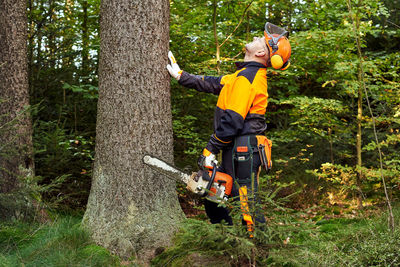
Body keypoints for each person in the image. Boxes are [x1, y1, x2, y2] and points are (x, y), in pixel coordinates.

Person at [167, 22, 291, 231]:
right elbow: (214, 83)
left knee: (246, 203)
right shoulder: (241, 76)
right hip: (235, 147)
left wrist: (211, 149)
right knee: (212, 191)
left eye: (259, 40)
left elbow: (233, 120)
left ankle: (256, 250)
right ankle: (228, 239)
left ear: (261, 52)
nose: (254, 39)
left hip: (243, 147)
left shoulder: (248, 78)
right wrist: (181, 76)